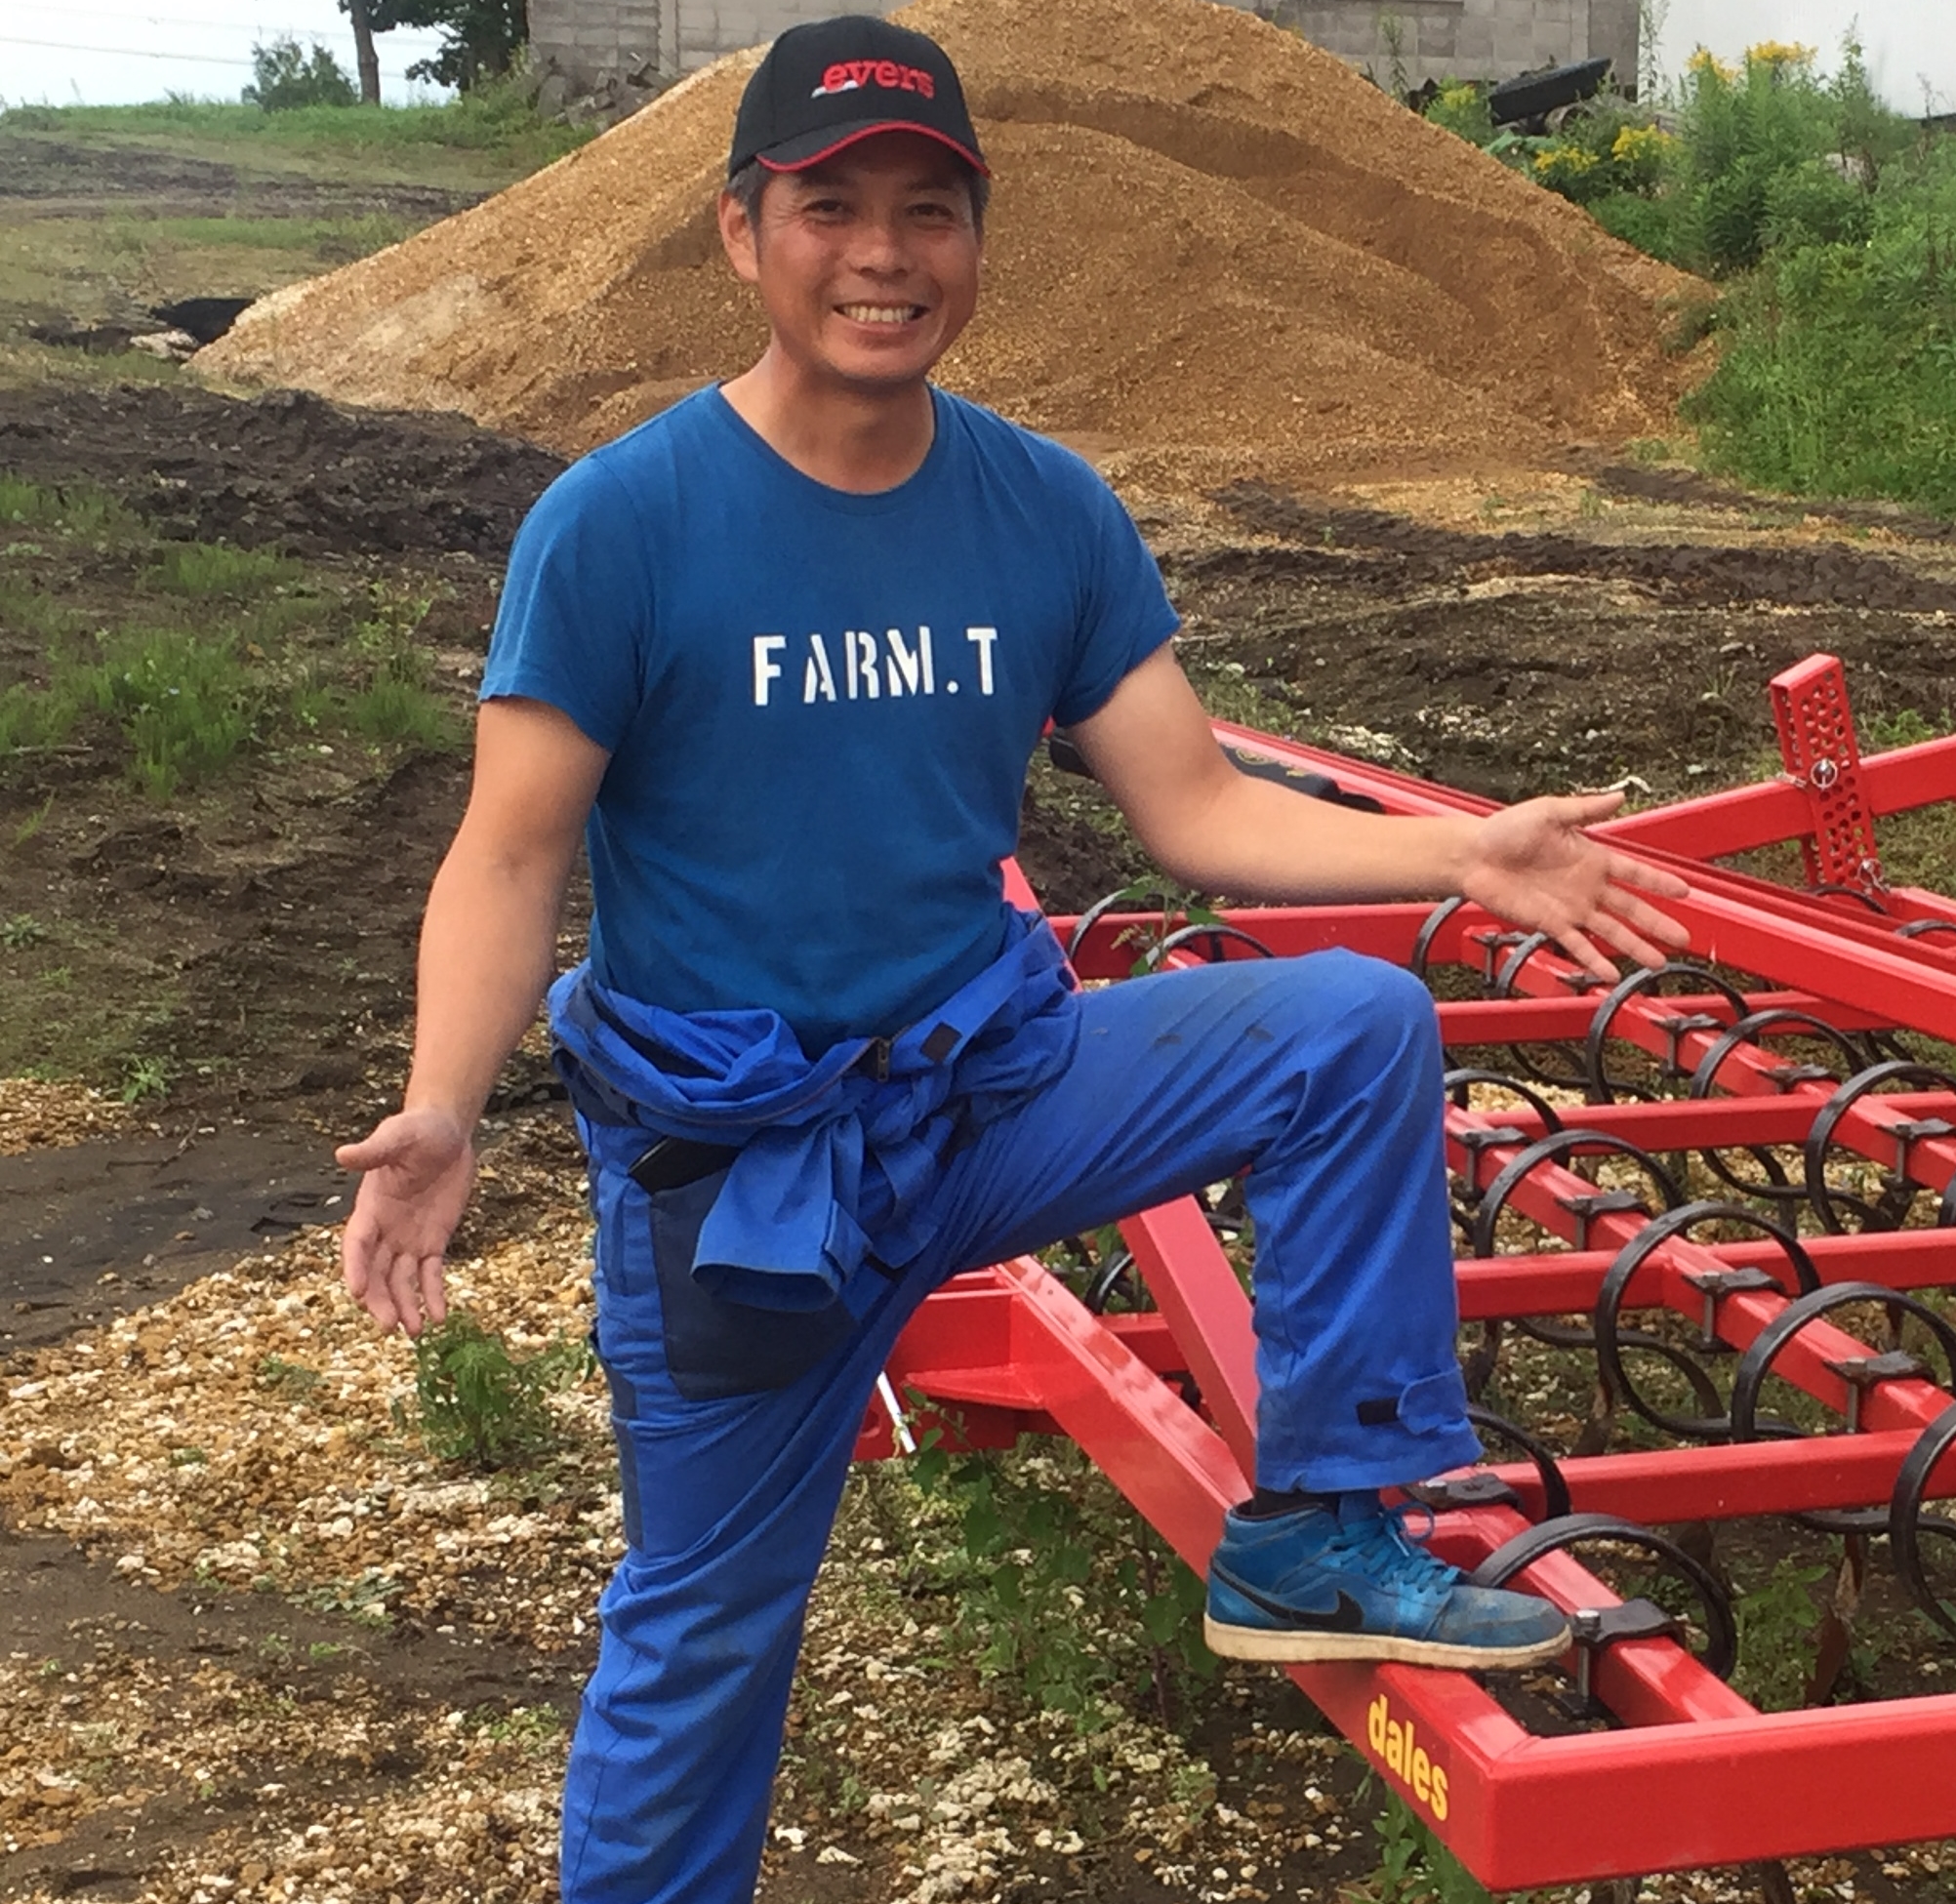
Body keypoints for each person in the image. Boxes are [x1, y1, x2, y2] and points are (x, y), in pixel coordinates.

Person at [326, 16, 1691, 1900]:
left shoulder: (1043, 511)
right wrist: (442, 1107)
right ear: (744, 233)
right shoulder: (623, 524)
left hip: (990, 1091)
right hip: (753, 1182)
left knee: (1352, 1027)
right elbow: (508, 851)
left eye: (927, 210)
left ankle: (1316, 1525)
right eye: (832, 207)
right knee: (705, 1643)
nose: (883, 253)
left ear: (978, 238)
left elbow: (1197, 812)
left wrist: (1463, 847)